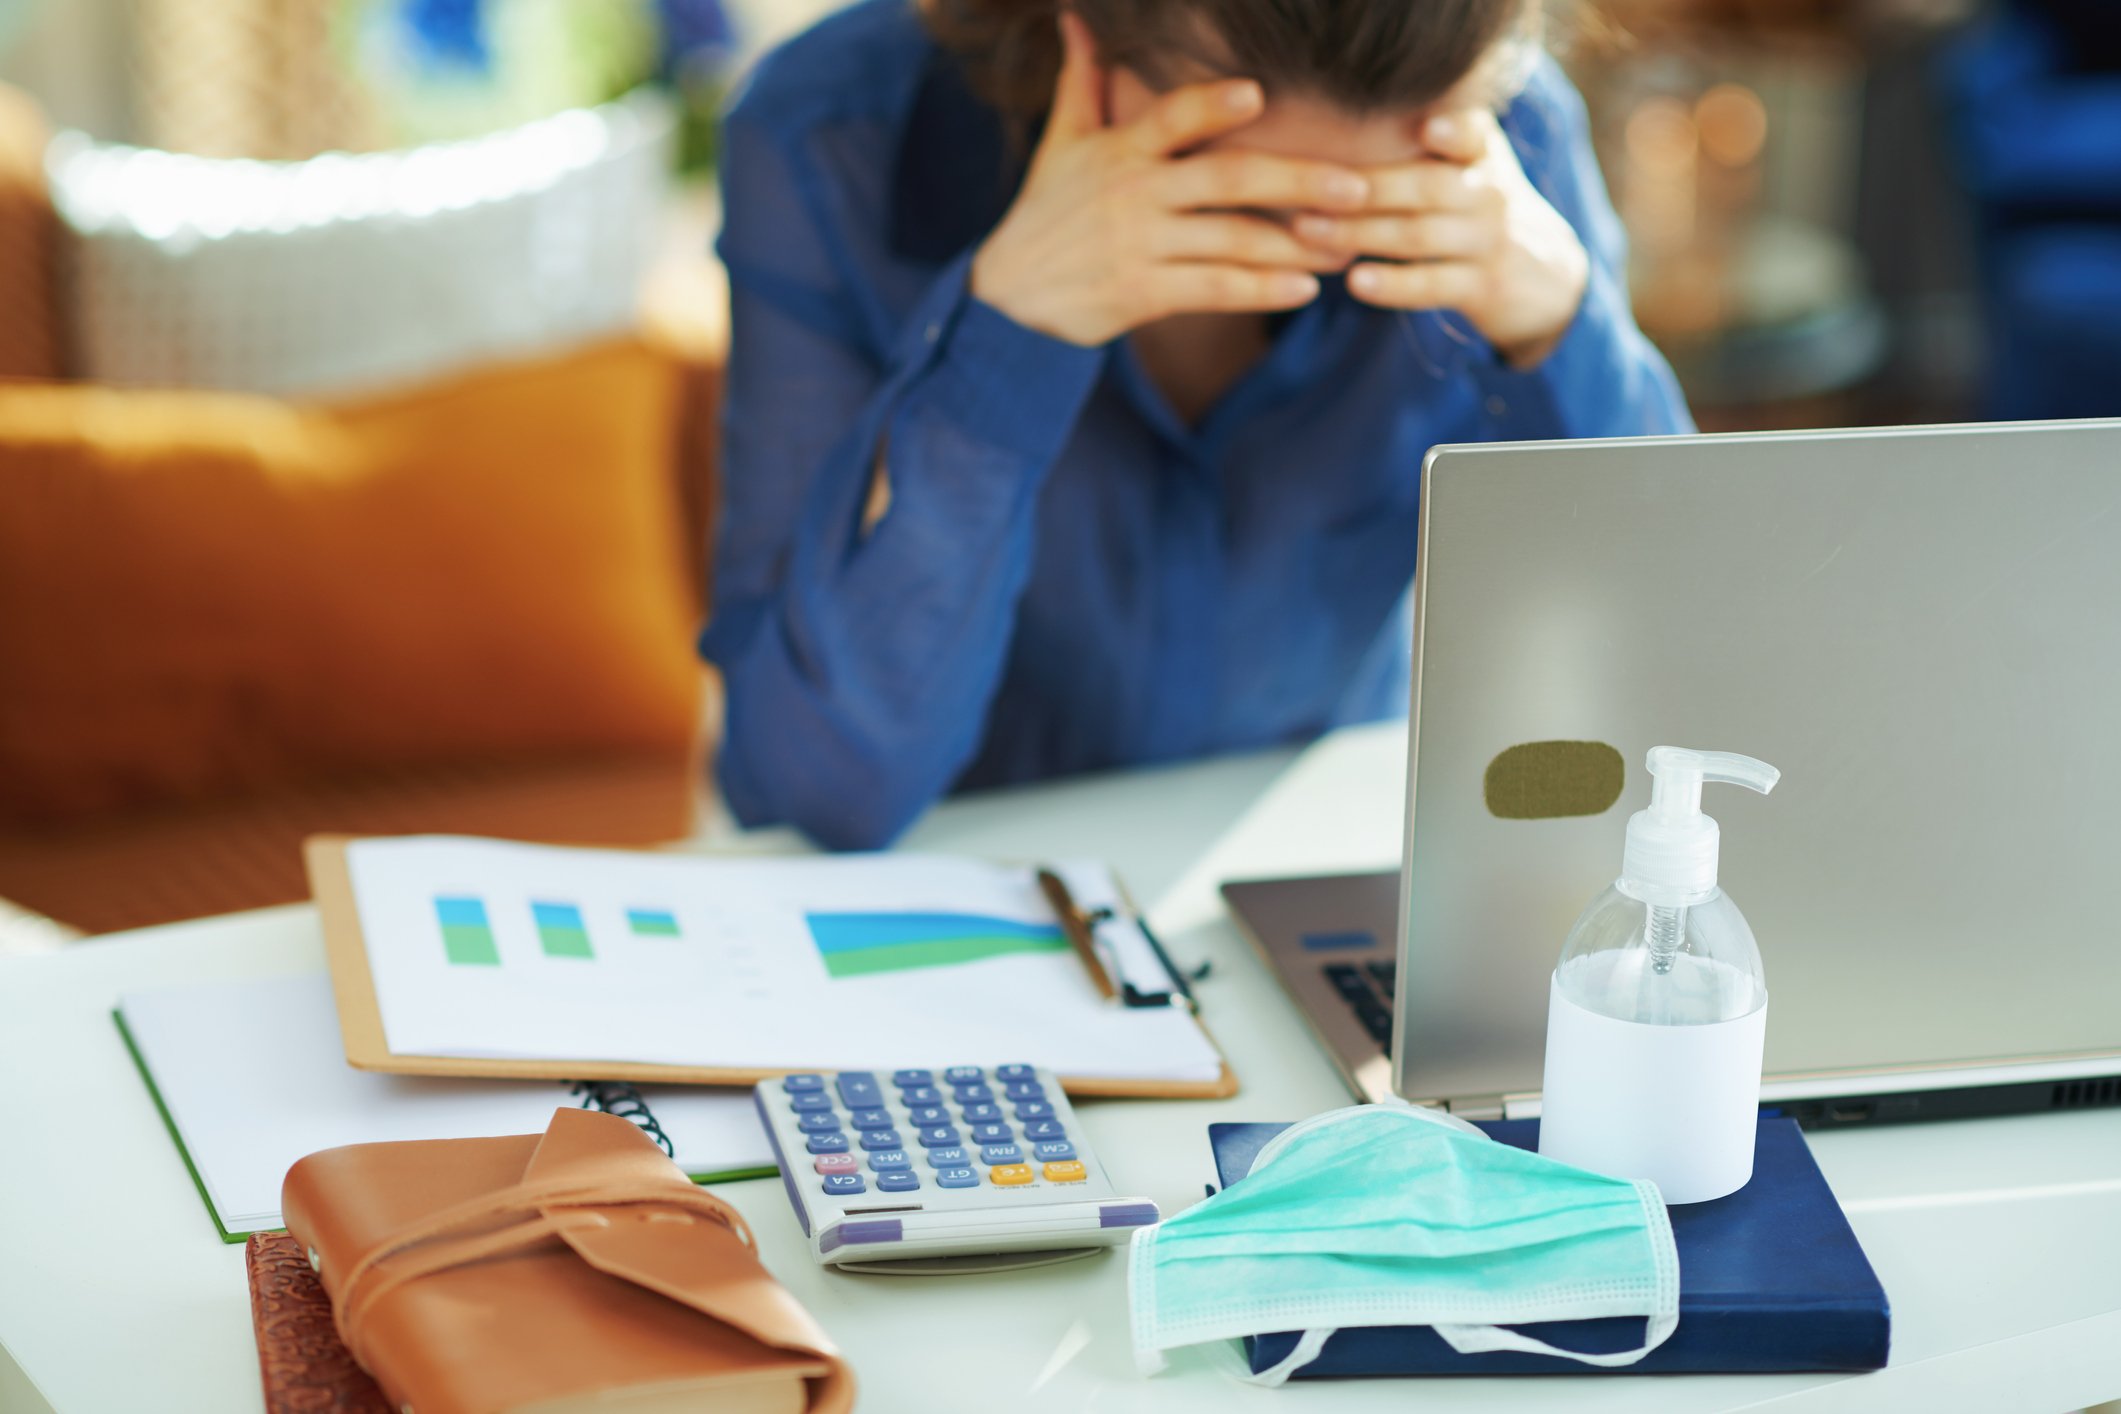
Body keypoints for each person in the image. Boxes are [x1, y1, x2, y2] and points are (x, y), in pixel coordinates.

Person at [705, 0, 1691, 849]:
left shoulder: (1509, 134)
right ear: (1079, 38)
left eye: (1371, 200)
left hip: (1325, 875)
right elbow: (817, 792)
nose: (1318, 241)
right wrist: (1004, 339)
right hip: (966, 909)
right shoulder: (830, 135)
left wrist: (1563, 332)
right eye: (1244, 192)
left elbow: (1678, 693)